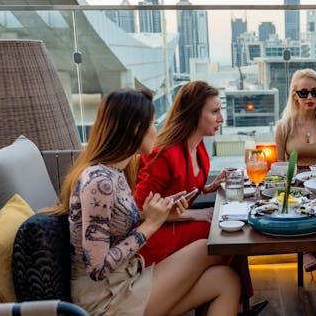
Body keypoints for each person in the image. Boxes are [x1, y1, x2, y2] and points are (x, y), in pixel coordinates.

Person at [53, 88, 240, 316]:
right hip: (106, 298)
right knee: (209, 247)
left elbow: (118, 221)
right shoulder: (99, 183)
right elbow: (97, 268)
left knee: (226, 280)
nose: (156, 130)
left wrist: (162, 213)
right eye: (152, 123)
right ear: (135, 128)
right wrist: (150, 225)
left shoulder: (117, 172)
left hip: (128, 276)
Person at [134, 81, 227, 265]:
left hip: (174, 225)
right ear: (194, 114)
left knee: (223, 232)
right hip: (154, 235)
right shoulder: (164, 154)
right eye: (214, 112)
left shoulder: (198, 146)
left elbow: (177, 189)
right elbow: (138, 209)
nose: (221, 119)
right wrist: (192, 214)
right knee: (220, 234)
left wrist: (208, 188)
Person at [274, 68, 316, 273]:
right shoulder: (284, 126)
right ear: (295, 96)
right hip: (293, 184)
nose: (310, 97)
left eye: (315, 92)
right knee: (298, 202)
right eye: (303, 93)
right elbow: (281, 166)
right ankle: (307, 251)